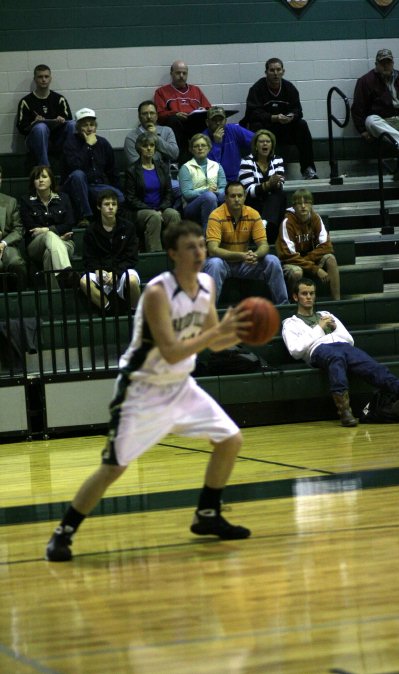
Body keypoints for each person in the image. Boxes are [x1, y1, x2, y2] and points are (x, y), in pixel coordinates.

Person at [45, 219, 252, 562]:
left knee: (230, 439)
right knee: (114, 467)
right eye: (191, 247)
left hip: (181, 386)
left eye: (202, 245)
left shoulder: (205, 285)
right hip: (142, 389)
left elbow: (214, 341)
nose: (200, 252)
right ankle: (62, 532)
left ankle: (207, 515)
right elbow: (171, 350)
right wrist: (222, 331)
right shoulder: (158, 292)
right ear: (172, 253)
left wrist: (242, 330)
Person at [282, 278, 399, 427]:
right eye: (304, 293)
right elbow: (295, 350)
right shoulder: (291, 323)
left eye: (312, 293)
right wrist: (319, 328)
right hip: (318, 350)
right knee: (336, 357)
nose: (309, 297)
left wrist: (335, 328)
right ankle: (345, 412)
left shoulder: (325, 314)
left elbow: (349, 339)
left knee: (367, 362)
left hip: (343, 345)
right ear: (295, 297)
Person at [203, 181, 288, 305]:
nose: (237, 199)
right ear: (226, 198)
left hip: (246, 263)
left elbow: (263, 245)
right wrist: (241, 256)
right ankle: (208, 312)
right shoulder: (215, 215)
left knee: (273, 260)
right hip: (223, 263)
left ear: (244, 197)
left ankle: (283, 307)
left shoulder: (253, 213)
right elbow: (213, 250)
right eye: (232, 196)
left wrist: (256, 255)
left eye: (240, 196)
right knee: (214, 264)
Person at [243, 58, 317, 180]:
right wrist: (273, 118)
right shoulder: (257, 88)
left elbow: (298, 110)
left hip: (285, 128)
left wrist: (291, 116)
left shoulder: (289, 87)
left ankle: (308, 169)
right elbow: (252, 113)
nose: (276, 73)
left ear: (283, 71)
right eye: (272, 70)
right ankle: (263, 171)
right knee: (256, 126)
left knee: (302, 125)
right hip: (267, 128)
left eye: (278, 70)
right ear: (266, 72)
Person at [351, 49, 399, 157]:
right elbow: (358, 107)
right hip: (383, 120)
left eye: (388, 63)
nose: (385, 66)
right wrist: (362, 130)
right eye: (382, 63)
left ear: (393, 63)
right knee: (370, 121)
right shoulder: (366, 81)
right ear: (376, 65)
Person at [61, 108, 124, 226]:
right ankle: (85, 217)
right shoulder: (70, 142)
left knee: (119, 197)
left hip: (97, 186)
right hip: (75, 186)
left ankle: (108, 223)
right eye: (85, 125)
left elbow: (112, 171)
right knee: (78, 175)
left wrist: (117, 190)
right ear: (78, 127)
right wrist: (87, 146)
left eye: (92, 125)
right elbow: (74, 166)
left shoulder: (103, 143)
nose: (89, 128)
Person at [81, 190, 140, 312]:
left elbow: (131, 257)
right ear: (99, 207)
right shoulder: (91, 230)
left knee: (133, 280)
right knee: (83, 281)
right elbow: (88, 258)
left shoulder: (128, 227)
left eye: (114, 204)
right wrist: (97, 269)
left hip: (121, 271)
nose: (111, 207)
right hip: (101, 272)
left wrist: (116, 272)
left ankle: (136, 311)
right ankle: (108, 308)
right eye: (107, 204)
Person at [19, 166, 78, 289]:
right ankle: (67, 272)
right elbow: (31, 228)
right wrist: (54, 233)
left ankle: (55, 298)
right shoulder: (26, 201)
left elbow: (69, 223)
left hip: (65, 242)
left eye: (44, 177)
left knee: (49, 254)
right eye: (37, 178)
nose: (40, 180)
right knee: (50, 236)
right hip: (36, 245)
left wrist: (47, 230)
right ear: (33, 182)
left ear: (51, 180)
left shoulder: (64, 198)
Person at [276, 189, 340, 300]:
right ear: (294, 207)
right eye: (299, 203)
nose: (303, 206)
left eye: (306, 202)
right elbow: (288, 256)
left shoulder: (316, 218)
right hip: (292, 262)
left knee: (331, 259)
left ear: (311, 205)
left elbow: (327, 246)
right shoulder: (288, 222)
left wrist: (307, 260)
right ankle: (295, 308)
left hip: (308, 258)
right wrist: (315, 269)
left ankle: (337, 302)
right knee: (296, 272)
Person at [124, 131, 181, 252]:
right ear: (139, 148)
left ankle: (176, 252)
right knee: (153, 216)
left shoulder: (162, 167)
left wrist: (161, 209)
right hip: (140, 212)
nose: (149, 148)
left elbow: (168, 192)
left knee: (173, 214)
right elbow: (131, 198)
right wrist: (153, 210)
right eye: (145, 146)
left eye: (152, 145)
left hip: (160, 209)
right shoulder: (132, 170)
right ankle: (156, 254)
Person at [16, 64, 75, 167]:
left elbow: (69, 120)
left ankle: (72, 162)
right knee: (40, 127)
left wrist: (62, 120)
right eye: (40, 77)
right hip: (35, 140)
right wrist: (33, 123)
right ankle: (44, 167)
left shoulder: (59, 99)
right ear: (35, 79)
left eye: (46, 76)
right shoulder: (26, 101)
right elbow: (21, 127)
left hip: (56, 140)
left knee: (73, 124)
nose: (43, 80)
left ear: (50, 78)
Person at [154, 60, 211, 162]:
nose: (181, 76)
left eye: (184, 73)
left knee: (207, 120)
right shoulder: (161, 92)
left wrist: (204, 110)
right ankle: (182, 160)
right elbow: (159, 114)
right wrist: (175, 113)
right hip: (176, 125)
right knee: (174, 120)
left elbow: (209, 109)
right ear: (171, 73)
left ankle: (204, 158)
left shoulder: (196, 90)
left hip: (195, 123)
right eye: (178, 73)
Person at [238, 129, 286, 243]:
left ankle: (265, 223)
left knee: (279, 194)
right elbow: (248, 191)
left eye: (268, 141)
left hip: (271, 199)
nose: (265, 144)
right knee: (273, 195)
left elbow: (280, 184)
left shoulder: (277, 160)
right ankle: (266, 228)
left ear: (272, 145)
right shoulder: (246, 161)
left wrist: (267, 186)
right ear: (255, 145)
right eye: (261, 141)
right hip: (253, 201)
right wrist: (268, 185)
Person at [179, 133, 226, 231]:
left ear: (209, 148)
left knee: (230, 195)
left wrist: (216, 192)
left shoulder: (217, 166)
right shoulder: (186, 168)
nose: (200, 148)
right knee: (209, 197)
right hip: (192, 206)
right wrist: (206, 191)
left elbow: (223, 188)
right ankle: (208, 235)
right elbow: (187, 194)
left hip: (215, 199)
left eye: (203, 145)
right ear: (191, 150)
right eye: (196, 146)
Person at [204, 106, 254, 182]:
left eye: (221, 120)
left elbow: (257, 139)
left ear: (226, 121)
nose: (218, 123)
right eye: (214, 120)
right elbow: (211, 168)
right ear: (207, 122)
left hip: (238, 177)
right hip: (216, 181)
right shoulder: (203, 139)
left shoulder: (233, 129)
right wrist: (216, 144)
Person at [0, 166, 28, 290]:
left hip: (5, 244)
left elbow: (18, 229)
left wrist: (3, 243)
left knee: (16, 263)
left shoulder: (10, 202)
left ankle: (20, 302)